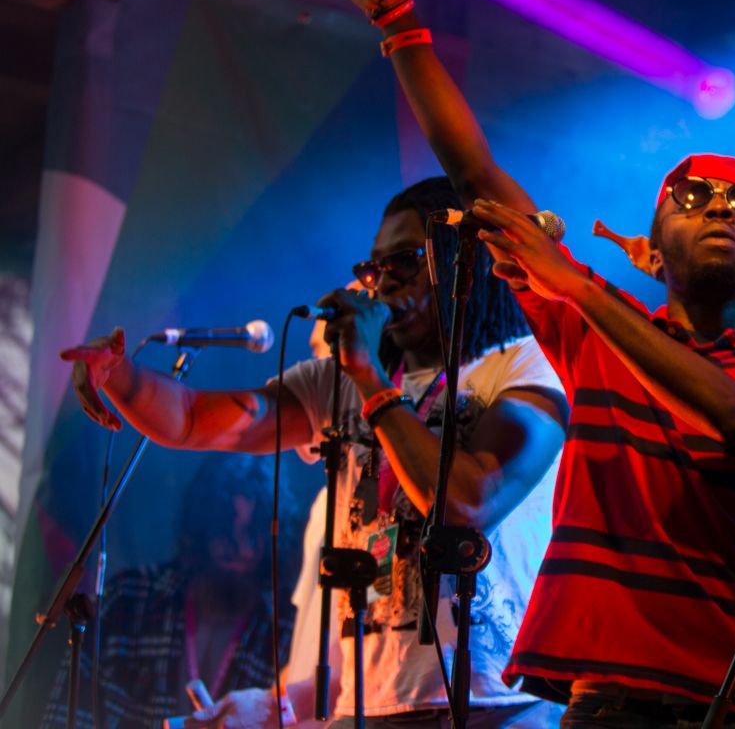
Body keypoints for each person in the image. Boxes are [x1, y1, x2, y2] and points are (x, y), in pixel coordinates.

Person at [329, 0, 735, 729]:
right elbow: (473, 173)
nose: (718, 207)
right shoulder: (588, 330)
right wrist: (396, 16)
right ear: (653, 247)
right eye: (692, 197)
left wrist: (575, 284)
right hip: (609, 702)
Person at [63, 177, 568, 729]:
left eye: (402, 262)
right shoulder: (339, 382)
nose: (378, 285)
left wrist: (371, 382)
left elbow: (467, 503)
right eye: (371, 270)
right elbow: (190, 419)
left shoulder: (523, 368)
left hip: (497, 704)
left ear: (456, 262)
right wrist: (118, 376)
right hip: (372, 703)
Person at [39, 454, 303, 729]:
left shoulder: (284, 630)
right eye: (224, 530)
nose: (237, 548)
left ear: (275, 536)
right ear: (202, 528)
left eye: (251, 533)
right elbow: (65, 716)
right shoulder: (131, 599)